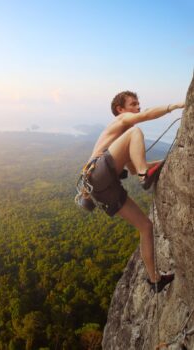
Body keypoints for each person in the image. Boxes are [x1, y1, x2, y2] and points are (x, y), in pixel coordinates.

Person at [85, 91, 185, 293]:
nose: (138, 107)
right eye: (133, 104)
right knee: (136, 131)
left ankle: (154, 279)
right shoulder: (123, 122)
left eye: (139, 103)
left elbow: (133, 168)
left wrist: (170, 161)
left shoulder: (122, 143)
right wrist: (175, 106)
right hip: (97, 173)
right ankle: (145, 175)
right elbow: (146, 116)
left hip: (100, 188)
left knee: (146, 227)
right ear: (120, 110)